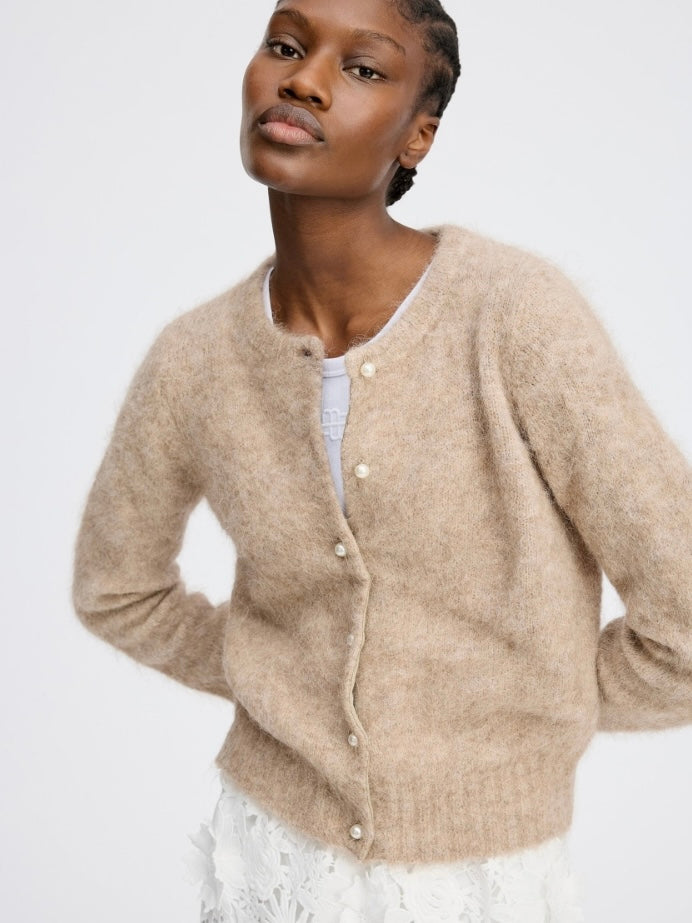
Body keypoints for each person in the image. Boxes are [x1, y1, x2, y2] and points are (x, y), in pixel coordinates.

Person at [71, 0, 692, 921]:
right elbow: (115, 589)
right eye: (285, 45)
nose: (303, 79)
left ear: (418, 136)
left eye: (362, 68)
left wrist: (534, 704)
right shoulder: (194, 358)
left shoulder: (513, 314)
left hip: (480, 873)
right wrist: (276, 674)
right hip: (270, 856)